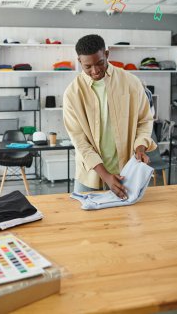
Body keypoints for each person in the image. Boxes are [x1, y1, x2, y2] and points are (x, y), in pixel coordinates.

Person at [63, 34, 156, 199]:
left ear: (106, 54)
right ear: (79, 62)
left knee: (127, 222)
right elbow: (80, 141)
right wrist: (105, 175)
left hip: (127, 173)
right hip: (90, 175)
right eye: (88, 66)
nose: (95, 71)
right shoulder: (72, 93)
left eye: (99, 63)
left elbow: (145, 121)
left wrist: (140, 147)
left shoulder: (131, 82)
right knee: (86, 223)